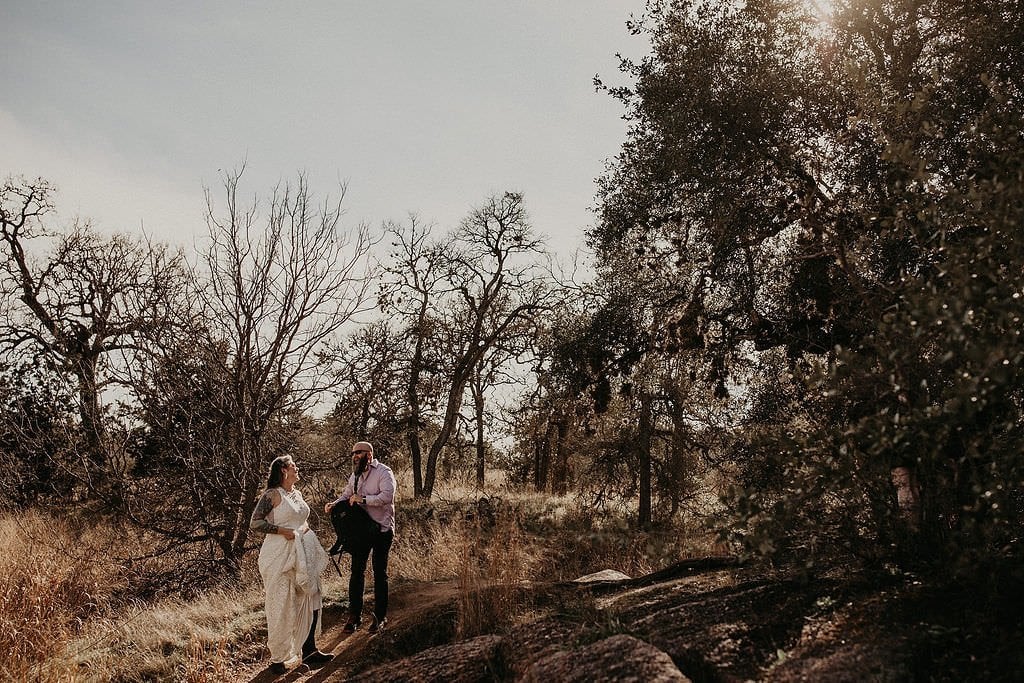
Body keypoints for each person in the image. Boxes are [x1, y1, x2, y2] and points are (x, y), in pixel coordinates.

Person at [250, 456, 334, 675]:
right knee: (282, 602)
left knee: (311, 595)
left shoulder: (296, 494)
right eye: (294, 466)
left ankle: (309, 650)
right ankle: (278, 658)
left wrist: (305, 533)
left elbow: (300, 519)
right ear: (283, 470)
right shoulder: (272, 494)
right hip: (279, 553)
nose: (298, 469)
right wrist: (282, 531)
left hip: (301, 550)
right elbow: (255, 522)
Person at [325, 441, 396, 634]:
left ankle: (380, 617)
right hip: (361, 532)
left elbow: (387, 497)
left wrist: (363, 500)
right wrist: (334, 503)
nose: (355, 456)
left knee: (380, 573)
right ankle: (354, 617)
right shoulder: (354, 475)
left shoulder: (384, 472)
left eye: (359, 452)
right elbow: (347, 494)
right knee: (357, 573)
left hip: (382, 529)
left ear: (369, 455)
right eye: (353, 453)